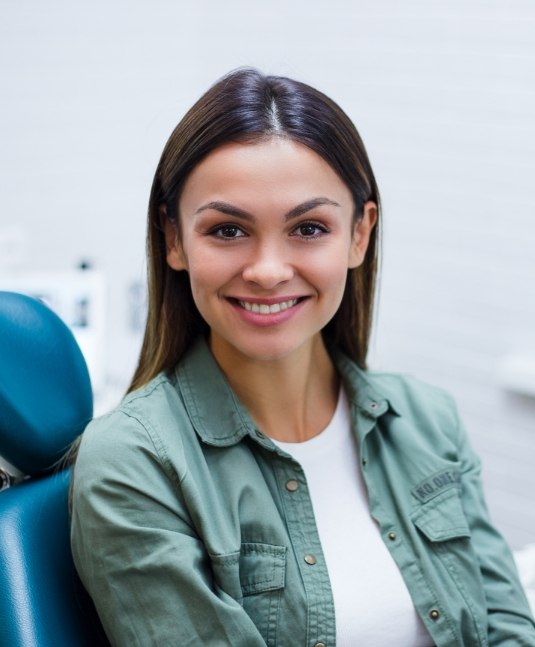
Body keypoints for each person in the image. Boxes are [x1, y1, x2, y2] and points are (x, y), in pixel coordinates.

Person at [70, 68, 535, 647]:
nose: (267, 270)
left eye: (309, 227)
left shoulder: (427, 418)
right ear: (173, 239)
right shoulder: (132, 463)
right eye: (228, 230)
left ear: (359, 235)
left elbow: (508, 628)